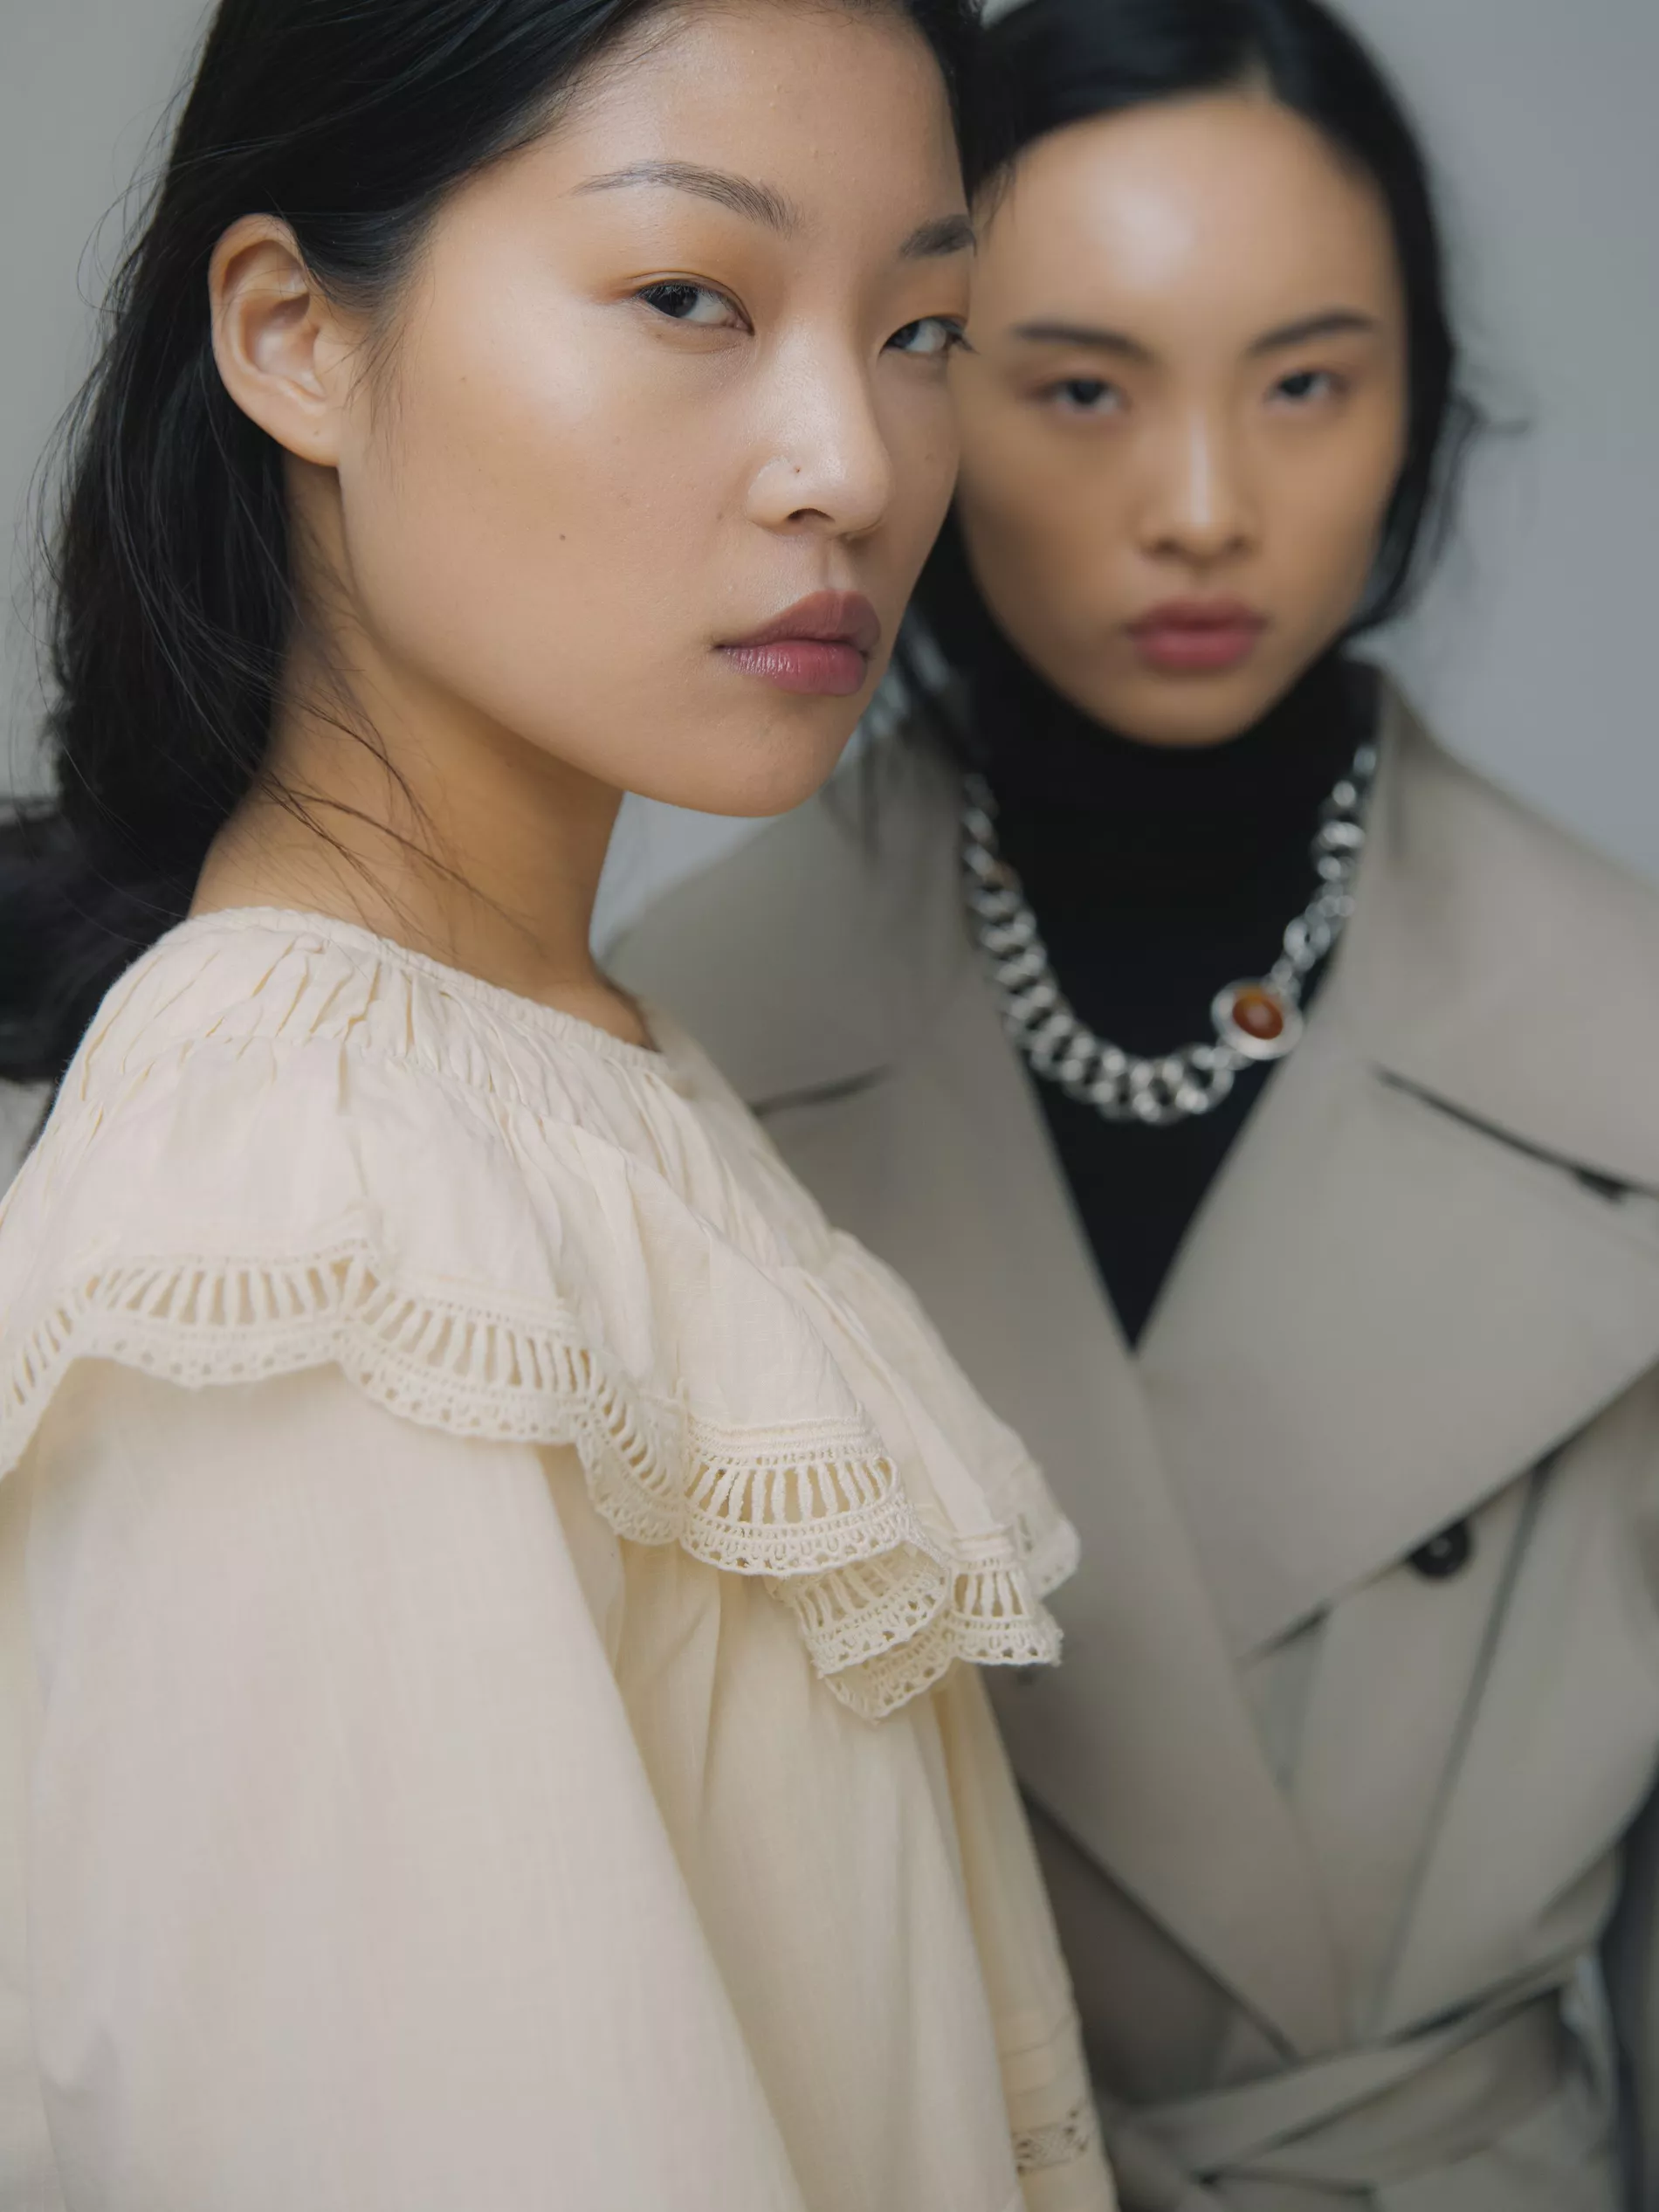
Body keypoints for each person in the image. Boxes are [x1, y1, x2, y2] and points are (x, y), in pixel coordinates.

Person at [0, 2, 1120, 2205]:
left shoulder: (553, 1076)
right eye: (691, 295)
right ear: (296, 334)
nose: (855, 465)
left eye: (922, 329)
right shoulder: (321, 1214)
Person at [615, 0, 1659, 2204]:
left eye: (1304, 382)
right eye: (1079, 386)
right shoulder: (652, 1075)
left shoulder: (1629, 1054)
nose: (1199, 507)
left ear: (1417, 412)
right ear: (913, 394)